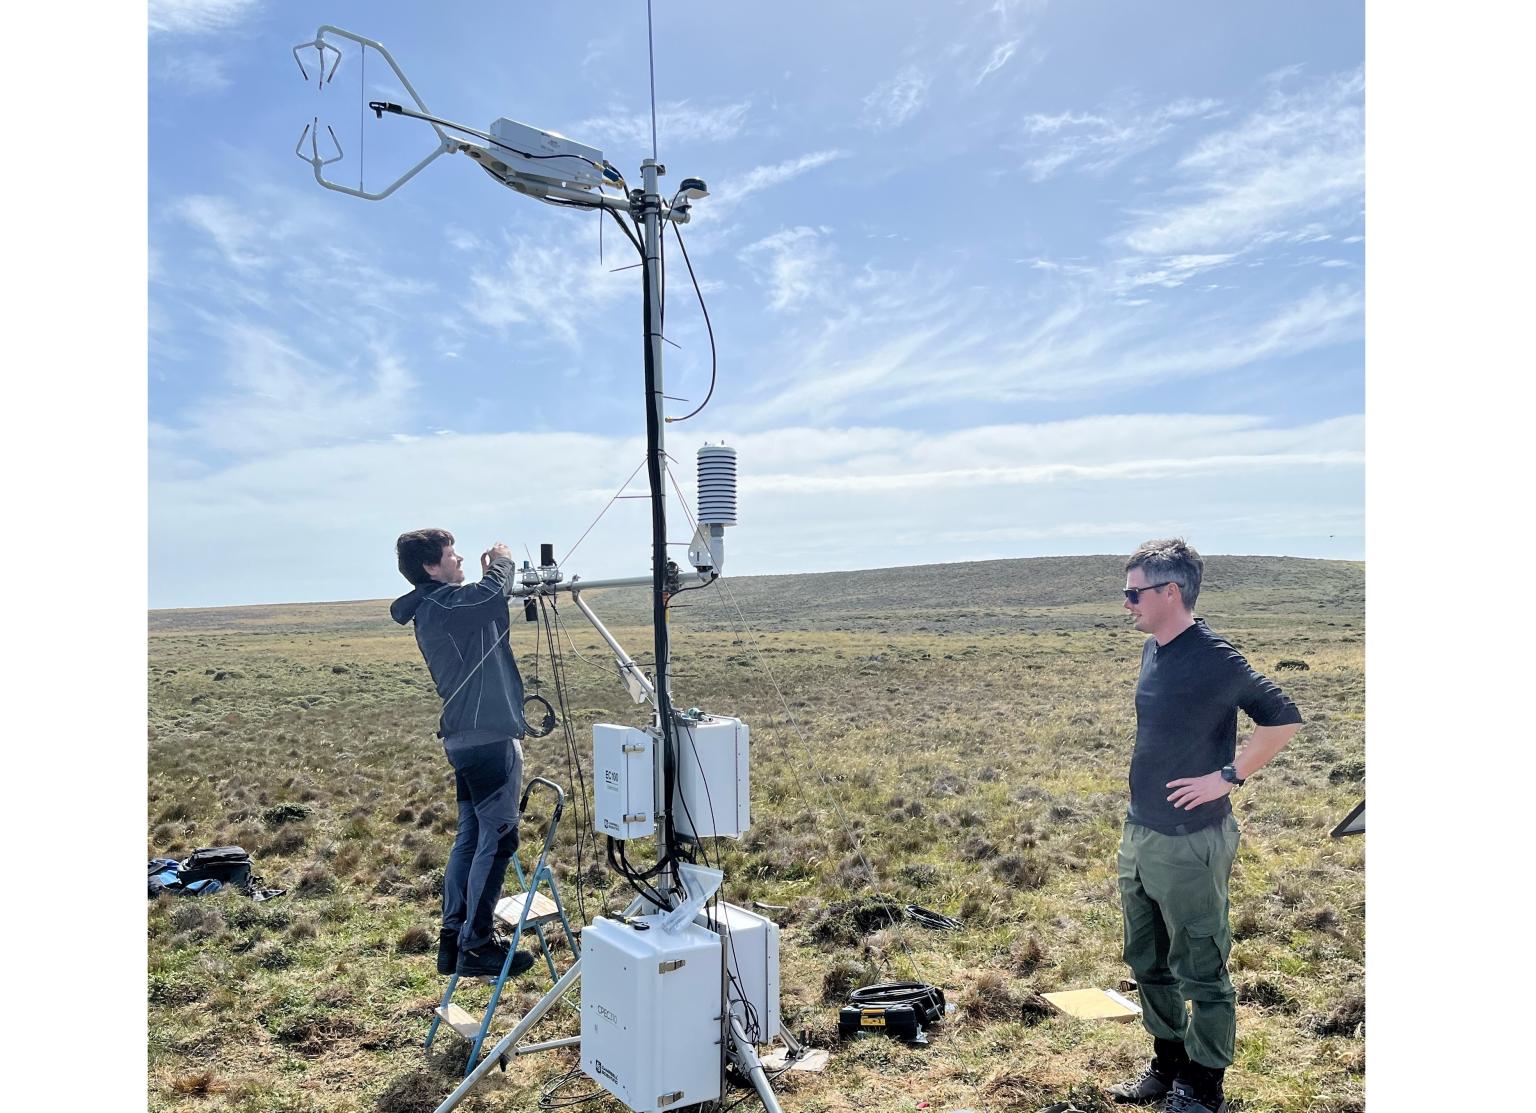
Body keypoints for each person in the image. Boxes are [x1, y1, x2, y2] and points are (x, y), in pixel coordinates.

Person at [1108, 539, 1302, 1113]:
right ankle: (1167, 1066)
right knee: (1146, 959)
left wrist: (1228, 776)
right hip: (1141, 831)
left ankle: (1204, 1083)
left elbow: (1282, 718)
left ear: (1171, 592)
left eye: (1134, 592)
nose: (1127, 604)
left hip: (1192, 840)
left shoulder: (1214, 656)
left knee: (1199, 964)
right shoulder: (1154, 650)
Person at [391, 528, 535, 979]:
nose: (460, 561)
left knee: (471, 838)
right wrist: (505, 563)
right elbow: (488, 600)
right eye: (452, 556)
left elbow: (486, 606)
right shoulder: (441, 605)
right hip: (486, 739)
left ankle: (454, 939)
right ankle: (476, 944)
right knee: (499, 839)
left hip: (469, 739)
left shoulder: (441, 607)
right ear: (431, 567)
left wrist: (497, 578)